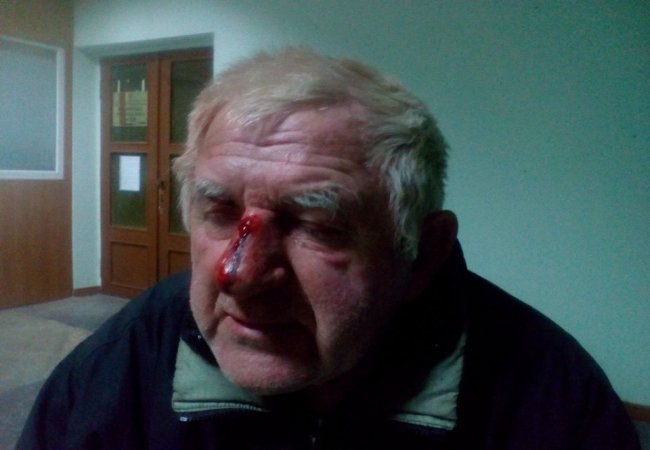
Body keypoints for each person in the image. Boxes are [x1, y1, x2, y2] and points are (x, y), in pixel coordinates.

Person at [18, 48, 640, 450]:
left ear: (421, 255)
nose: (239, 273)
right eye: (220, 211)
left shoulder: (552, 398)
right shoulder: (128, 355)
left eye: (313, 224)